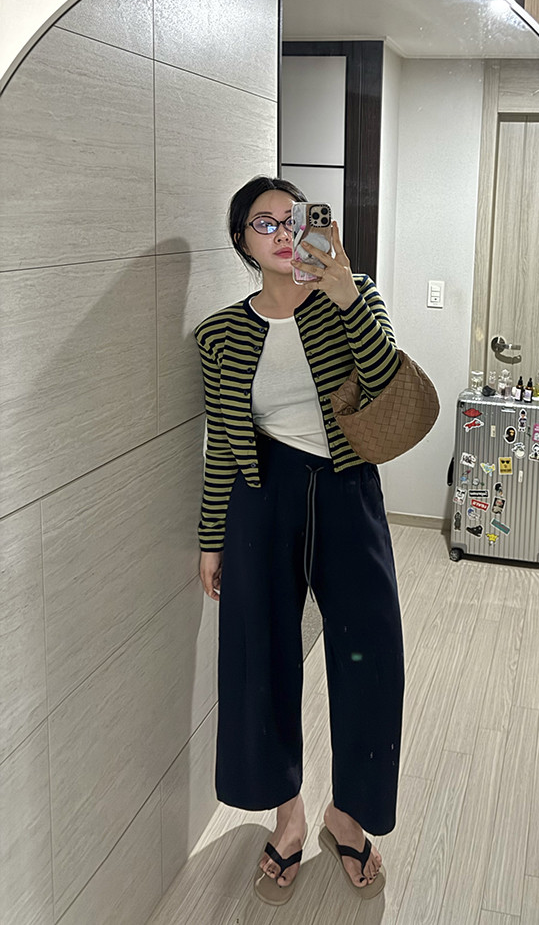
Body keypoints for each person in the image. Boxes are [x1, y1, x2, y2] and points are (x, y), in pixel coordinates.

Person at [194, 175, 405, 904]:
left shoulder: (355, 295)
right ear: (241, 242)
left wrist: (345, 294)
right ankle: (288, 815)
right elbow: (223, 446)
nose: (283, 231)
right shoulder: (220, 334)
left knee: (371, 652)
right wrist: (212, 538)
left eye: (294, 217)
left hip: (347, 488)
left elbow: (386, 382)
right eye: (265, 222)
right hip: (262, 497)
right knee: (260, 655)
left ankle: (349, 815)